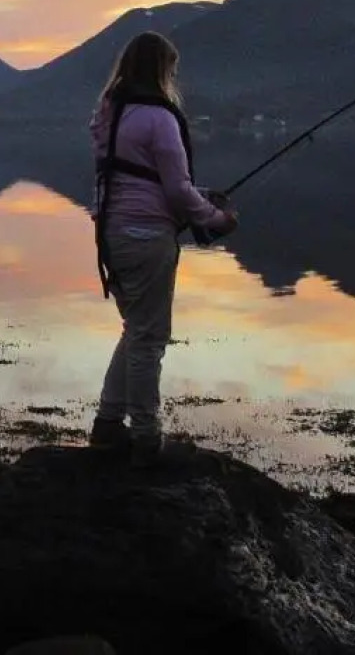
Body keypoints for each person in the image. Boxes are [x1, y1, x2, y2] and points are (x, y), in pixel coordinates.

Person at [88, 31, 238, 467]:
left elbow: (139, 176)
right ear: (160, 71)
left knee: (135, 329)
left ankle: (108, 425)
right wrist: (217, 219)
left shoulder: (107, 115)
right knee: (150, 338)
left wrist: (201, 195)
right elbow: (174, 190)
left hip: (111, 234)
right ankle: (147, 437)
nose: (174, 77)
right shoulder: (160, 119)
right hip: (147, 237)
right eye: (171, 70)